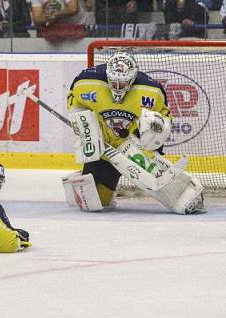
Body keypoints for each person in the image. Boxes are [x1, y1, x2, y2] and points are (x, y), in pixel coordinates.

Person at [65, 51, 204, 214]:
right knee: (98, 201)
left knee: (154, 177)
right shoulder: (86, 82)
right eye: (114, 82)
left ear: (132, 78)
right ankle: (86, 174)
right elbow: (74, 101)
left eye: (122, 83)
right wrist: (82, 124)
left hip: (132, 144)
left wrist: (153, 137)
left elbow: (165, 118)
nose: (117, 87)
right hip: (104, 147)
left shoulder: (151, 90)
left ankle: (182, 191)